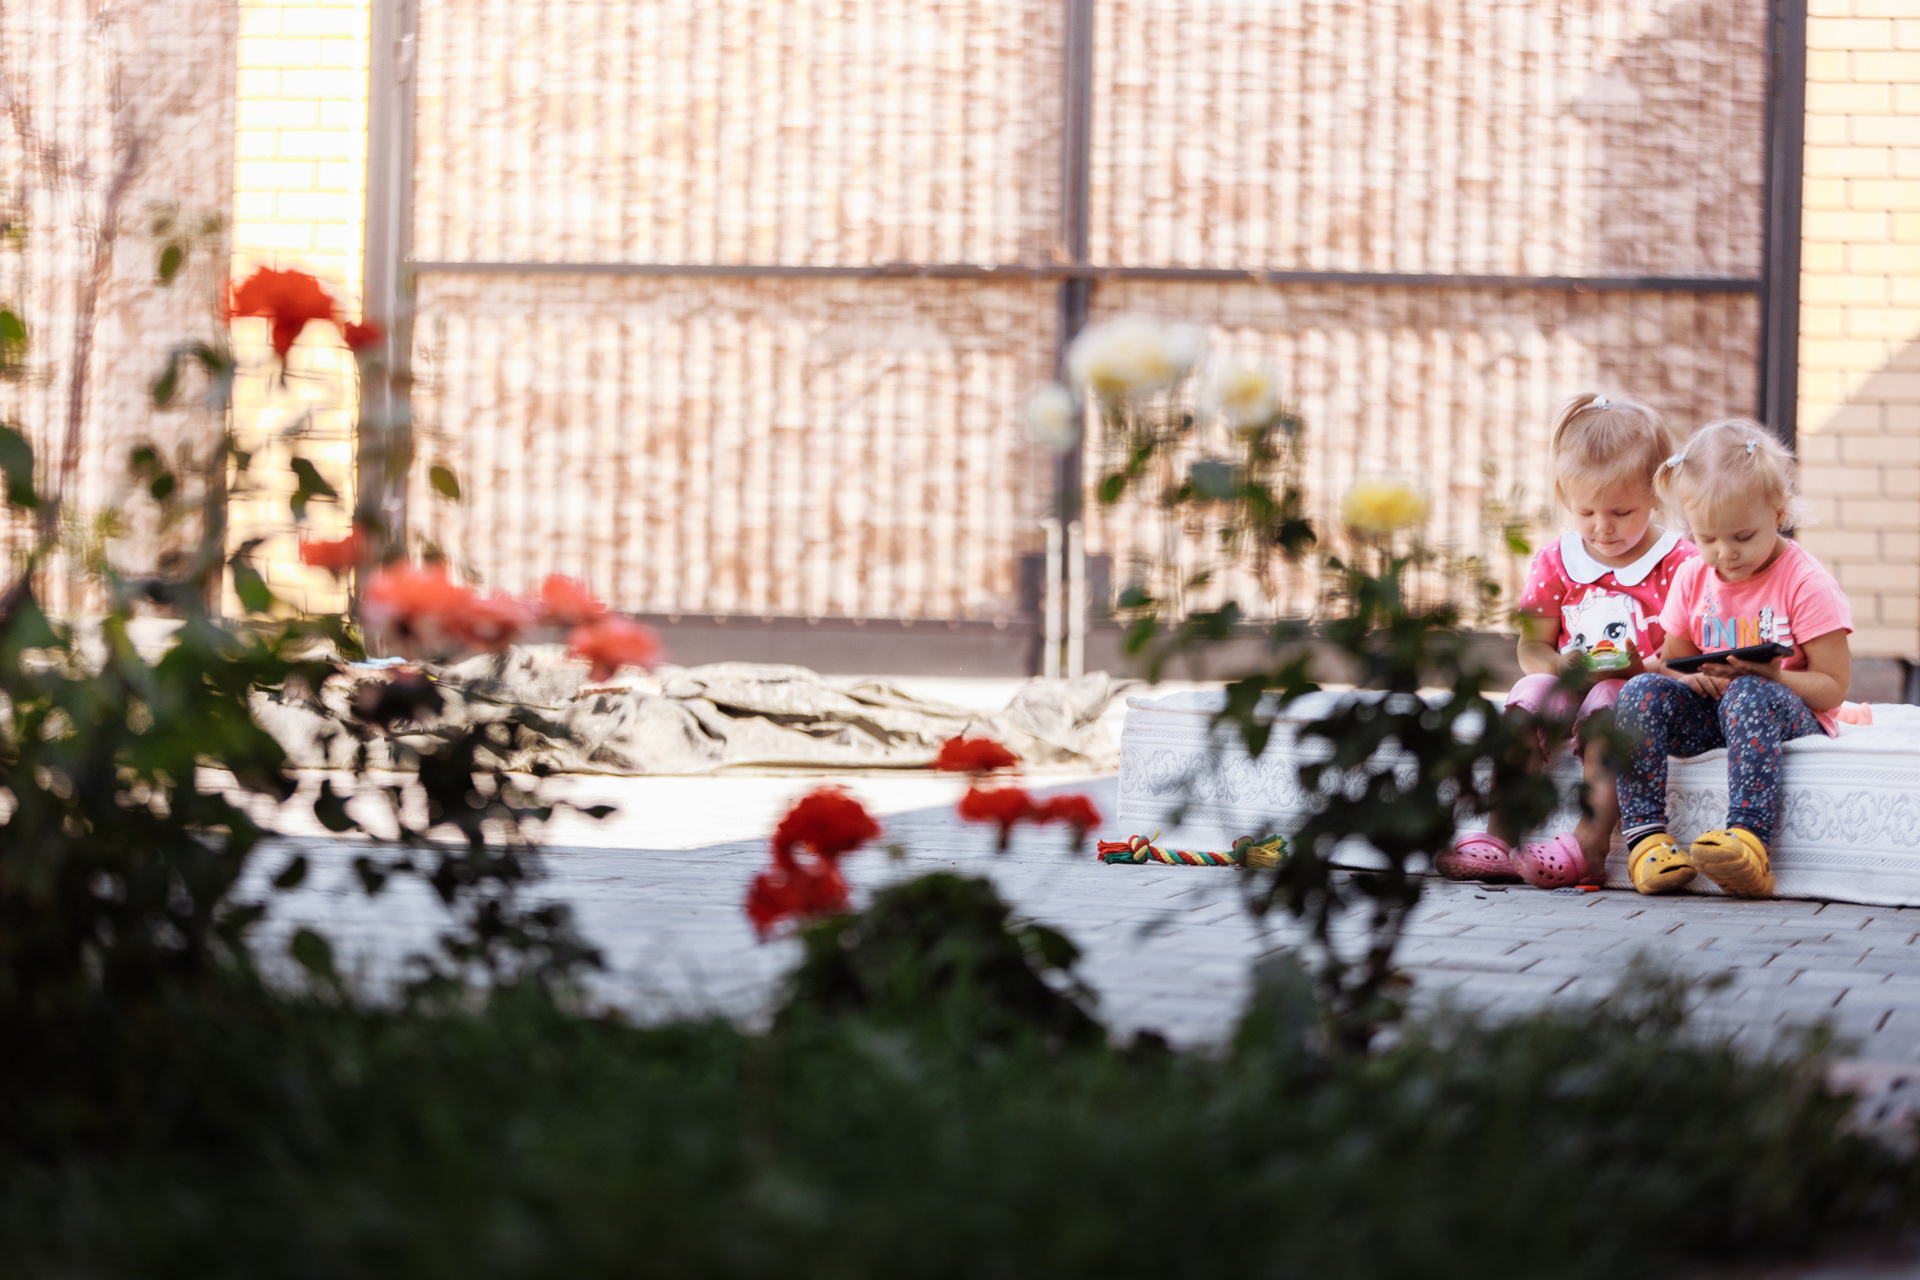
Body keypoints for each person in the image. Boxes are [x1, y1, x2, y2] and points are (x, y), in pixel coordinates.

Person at [1439, 392, 1694, 888]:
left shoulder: (1678, 564)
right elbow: (1531, 647)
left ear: (1656, 492)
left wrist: (1638, 669)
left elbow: (1683, 657)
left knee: (1609, 699)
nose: (1602, 528)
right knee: (1528, 694)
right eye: (1586, 511)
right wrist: (1561, 667)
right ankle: (1499, 835)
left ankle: (1590, 843)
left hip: (1636, 690)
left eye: (1621, 511)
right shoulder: (1557, 561)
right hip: (1569, 682)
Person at [1611, 421, 1852, 898]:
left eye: (1742, 536)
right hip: (1715, 710)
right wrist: (1689, 679)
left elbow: (1834, 687)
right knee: (1640, 691)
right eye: (1708, 539)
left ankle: (1748, 842)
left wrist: (1773, 676)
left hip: (1783, 711)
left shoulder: (1805, 582)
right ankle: (1647, 841)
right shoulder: (1693, 576)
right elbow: (1673, 662)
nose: (1726, 554)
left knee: (1748, 692)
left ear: (1778, 512)